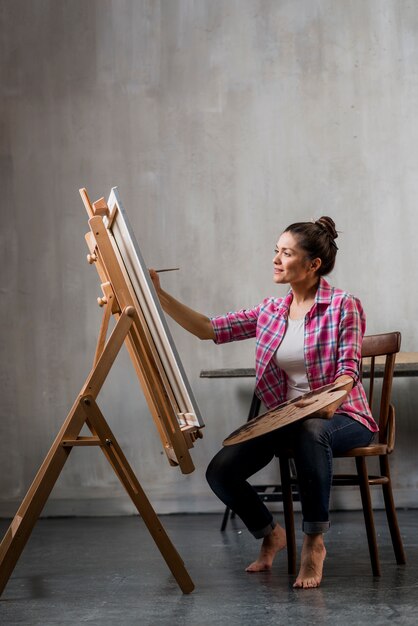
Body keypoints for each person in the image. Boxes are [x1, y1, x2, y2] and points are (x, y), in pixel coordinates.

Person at [149, 216, 376, 589]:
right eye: (276, 250)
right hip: (286, 419)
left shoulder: (343, 306)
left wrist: (330, 401)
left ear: (312, 264)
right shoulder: (271, 311)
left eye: (286, 253)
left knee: (313, 429)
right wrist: (158, 295)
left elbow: (348, 370)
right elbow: (211, 329)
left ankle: (314, 544)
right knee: (221, 471)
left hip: (344, 416)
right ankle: (270, 533)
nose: (275, 259)